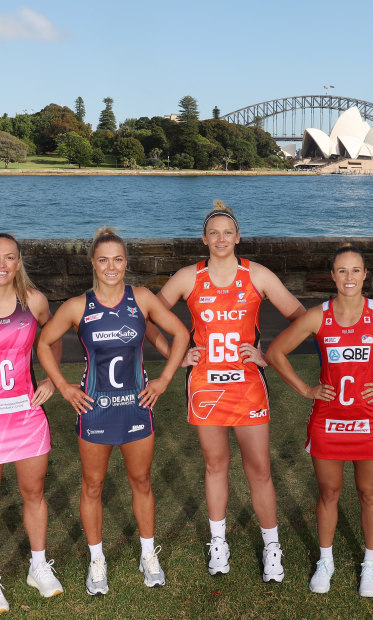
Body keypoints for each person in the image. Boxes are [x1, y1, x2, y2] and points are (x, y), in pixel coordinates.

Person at [147, 200, 305, 583]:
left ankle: (272, 547)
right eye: (213, 233)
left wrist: (268, 354)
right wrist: (176, 355)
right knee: (215, 465)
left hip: (248, 386)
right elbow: (148, 316)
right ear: (204, 238)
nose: (220, 239)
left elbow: (303, 317)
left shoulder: (257, 275)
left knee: (259, 469)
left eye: (227, 233)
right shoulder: (188, 277)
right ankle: (218, 543)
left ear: (238, 237)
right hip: (204, 385)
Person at [266, 244, 373, 597]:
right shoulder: (317, 316)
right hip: (328, 420)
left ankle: (370, 563)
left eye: (356, 270)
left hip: (368, 420)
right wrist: (306, 390)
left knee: (369, 493)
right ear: (332, 276)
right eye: (342, 270)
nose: (349, 277)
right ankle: (326, 561)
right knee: (329, 493)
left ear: (365, 274)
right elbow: (275, 352)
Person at [37, 228, 188, 596]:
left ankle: (148, 555)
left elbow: (181, 334)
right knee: (92, 486)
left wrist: (165, 379)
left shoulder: (142, 299)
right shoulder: (77, 306)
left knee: (142, 482)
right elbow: (44, 342)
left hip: (137, 407)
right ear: (92, 262)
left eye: (117, 259)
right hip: (95, 410)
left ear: (126, 262)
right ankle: (97, 560)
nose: (110, 266)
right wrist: (63, 385)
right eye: (103, 259)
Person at [0, 233, 63, 612]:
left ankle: (38, 566)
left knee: (33, 493)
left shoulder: (33, 301)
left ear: (18, 262)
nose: (2, 264)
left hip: (25, 414)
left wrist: (51, 378)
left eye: (9, 257)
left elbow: (53, 337)